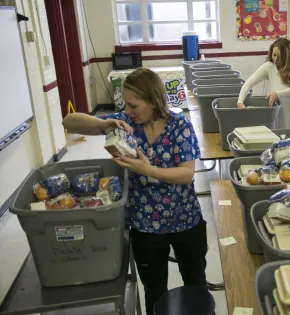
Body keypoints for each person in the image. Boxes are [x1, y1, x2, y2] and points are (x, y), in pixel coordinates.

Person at [62, 68, 208, 315]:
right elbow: (69, 122)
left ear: (153, 100)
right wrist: (104, 123)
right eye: (125, 106)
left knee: (195, 285)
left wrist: (148, 170)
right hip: (145, 225)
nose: (128, 111)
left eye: (133, 105)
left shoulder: (179, 125)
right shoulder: (125, 123)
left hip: (185, 219)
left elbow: (186, 174)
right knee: (154, 290)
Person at [237, 38, 290, 130]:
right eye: (274, 55)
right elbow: (249, 83)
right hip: (283, 111)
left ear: (287, 56)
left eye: (280, 56)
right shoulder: (269, 66)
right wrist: (240, 101)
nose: (276, 59)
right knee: (283, 137)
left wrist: (277, 93)